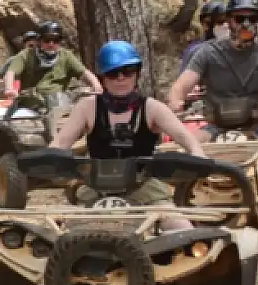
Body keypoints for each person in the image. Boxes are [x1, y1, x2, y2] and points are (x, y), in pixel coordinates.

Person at [53, 42, 205, 218]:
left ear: (137, 74)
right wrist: (46, 160)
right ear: (102, 77)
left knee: (179, 228)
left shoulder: (152, 108)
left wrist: (198, 157)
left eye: (128, 71)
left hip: (145, 189)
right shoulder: (87, 107)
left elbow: (187, 139)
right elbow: (60, 143)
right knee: (68, 234)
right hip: (95, 189)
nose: (120, 78)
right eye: (112, 73)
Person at [167, 0, 258, 140]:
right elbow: (182, 85)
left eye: (252, 19)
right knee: (190, 147)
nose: (246, 24)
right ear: (229, 21)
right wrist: (175, 99)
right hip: (218, 126)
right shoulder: (208, 52)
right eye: (239, 19)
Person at [3, 21, 102, 98]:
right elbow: (11, 72)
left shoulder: (66, 56)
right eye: (47, 40)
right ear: (39, 41)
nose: (51, 44)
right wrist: (9, 89)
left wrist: (97, 86)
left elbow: (84, 73)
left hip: (59, 103)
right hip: (30, 103)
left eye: (55, 40)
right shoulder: (26, 54)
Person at [180, 0, 226, 69]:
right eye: (220, 22)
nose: (225, 25)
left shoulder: (234, 50)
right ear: (205, 24)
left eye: (228, 21)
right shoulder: (195, 51)